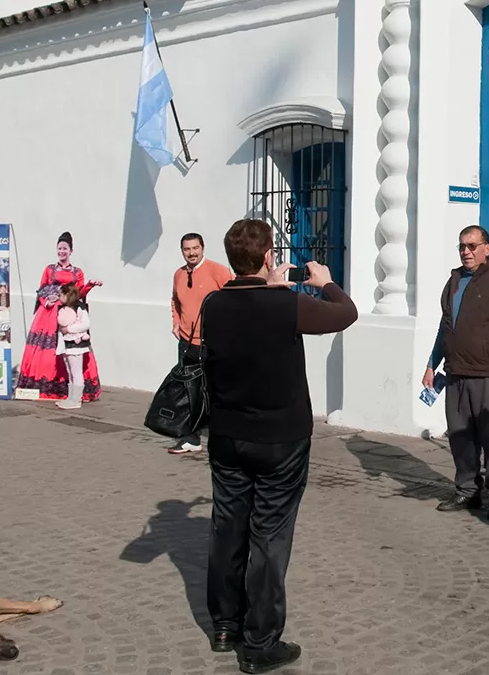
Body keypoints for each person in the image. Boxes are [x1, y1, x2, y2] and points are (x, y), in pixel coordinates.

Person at [202, 218, 357, 673]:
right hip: (280, 439)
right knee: (269, 537)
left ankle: (225, 624)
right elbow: (345, 313)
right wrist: (325, 283)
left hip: (228, 435)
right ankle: (260, 641)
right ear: (269, 257)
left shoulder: (213, 305)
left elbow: (243, 311)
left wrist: (270, 285)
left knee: (228, 529)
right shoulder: (287, 305)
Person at [421, 225, 489, 521]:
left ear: (487, 248)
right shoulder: (452, 281)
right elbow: (445, 327)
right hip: (456, 374)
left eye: (472, 245)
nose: (466, 251)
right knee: (460, 437)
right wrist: (432, 363)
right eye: (462, 246)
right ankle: (468, 490)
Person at [17, 232, 103, 401]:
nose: (62, 251)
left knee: (71, 349)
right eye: (59, 248)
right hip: (49, 313)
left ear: (71, 251)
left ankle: (73, 390)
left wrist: (90, 285)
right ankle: (47, 386)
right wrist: (45, 302)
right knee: (48, 351)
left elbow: (79, 293)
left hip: (69, 312)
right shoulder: (49, 269)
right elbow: (42, 289)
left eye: (65, 248)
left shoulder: (77, 272)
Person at [168, 232, 233, 454]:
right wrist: (176, 323)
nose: (192, 253)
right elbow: (175, 300)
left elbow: (234, 297)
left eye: (195, 248)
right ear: (182, 251)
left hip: (212, 342)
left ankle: (224, 437)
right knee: (189, 391)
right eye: (187, 249)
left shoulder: (217, 271)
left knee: (217, 390)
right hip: (187, 342)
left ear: (203, 248)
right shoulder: (179, 274)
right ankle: (191, 438)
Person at [54, 283, 92, 410]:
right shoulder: (64, 308)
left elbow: (86, 324)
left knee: (76, 372)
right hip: (66, 344)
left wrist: (69, 329)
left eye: (61, 295)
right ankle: (71, 397)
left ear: (67, 295)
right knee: (70, 372)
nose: (59, 297)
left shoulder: (79, 307)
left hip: (76, 344)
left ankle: (76, 399)